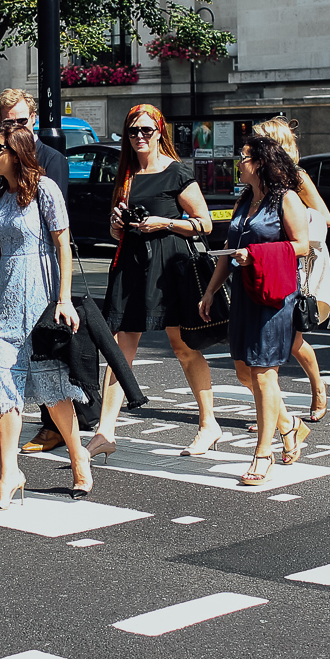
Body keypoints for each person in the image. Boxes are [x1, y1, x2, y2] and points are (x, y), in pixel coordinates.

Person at [95, 104, 217, 456]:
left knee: (183, 347)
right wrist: (117, 227)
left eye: (146, 130)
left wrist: (165, 223)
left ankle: (208, 423)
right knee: (120, 349)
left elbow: (205, 223)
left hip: (169, 268)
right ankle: (105, 431)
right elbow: (115, 228)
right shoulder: (126, 173)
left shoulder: (177, 173)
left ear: (160, 132)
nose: (139, 137)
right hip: (132, 265)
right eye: (133, 131)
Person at [0, 126, 89, 508]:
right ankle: (9, 472)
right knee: (2, 386)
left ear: (17, 151)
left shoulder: (45, 190)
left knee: (52, 390)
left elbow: (63, 245)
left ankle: (78, 455)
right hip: (5, 303)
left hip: (40, 300)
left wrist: (64, 299)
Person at [198, 135, 310, 486]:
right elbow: (231, 247)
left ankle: (264, 453)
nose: (239, 163)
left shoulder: (285, 199)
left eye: (243, 157)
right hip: (245, 293)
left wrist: (258, 254)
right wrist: (211, 290)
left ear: (260, 162)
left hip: (273, 296)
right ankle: (290, 425)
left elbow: (302, 245)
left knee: (264, 373)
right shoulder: (245, 199)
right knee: (245, 372)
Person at [251, 117, 330, 421]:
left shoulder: (296, 176)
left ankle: (318, 387)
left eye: (259, 141)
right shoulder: (258, 177)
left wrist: (291, 225)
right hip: (264, 264)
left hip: (292, 263)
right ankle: (276, 413)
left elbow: (325, 218)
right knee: (263, 345)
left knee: (293, 340)